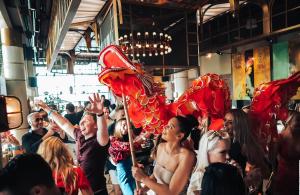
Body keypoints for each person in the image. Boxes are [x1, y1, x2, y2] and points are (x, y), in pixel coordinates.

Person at [36, 93, 109, 194]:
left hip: (97, 191)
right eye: (81, 121)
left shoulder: (100, 140)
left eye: (86, 121)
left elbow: (103, 131)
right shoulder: (80, 135)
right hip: (82, 189)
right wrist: (46, 108)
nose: (81, 123)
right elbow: (64, 123)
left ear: (96, 125)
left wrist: (100, 114)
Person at [132, 116, 195, 195]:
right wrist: (143, 190)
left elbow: (172, 192)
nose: (165, 127)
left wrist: (144, 178)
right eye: (167, 125)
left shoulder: (187, 156)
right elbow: (155, 177)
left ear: (180, 136)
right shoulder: (161, 147)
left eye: (170, 127)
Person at [224, 109, 270, 193]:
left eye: (230, 122)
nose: (225, 124)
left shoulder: (247, 145)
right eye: (225, 120)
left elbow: (260, 173)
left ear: (239, 125)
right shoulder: (226, 142)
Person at [188, 130, 232, 195]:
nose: (228, 156)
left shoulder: (226, 172)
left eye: (228, 151)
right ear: (207, 153)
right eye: (222, 152)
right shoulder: (200, 177)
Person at [109, 118, 145, 195]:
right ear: (118, 126)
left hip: (131, 167)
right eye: (124, 125)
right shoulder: (113, 139)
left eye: (128, 125)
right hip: (123, 170)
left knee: (138, 192)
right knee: (130, 192)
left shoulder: (127, 137)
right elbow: (129, 147)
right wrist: (144, 137)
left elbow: (138, 147)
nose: (126, 127)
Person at [272, 111, 300, 195]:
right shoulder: (280, 137)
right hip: (283, 177)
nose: (299, 124)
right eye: (298, 121)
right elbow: (272, 158)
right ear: (289, 122)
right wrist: (274, 171)